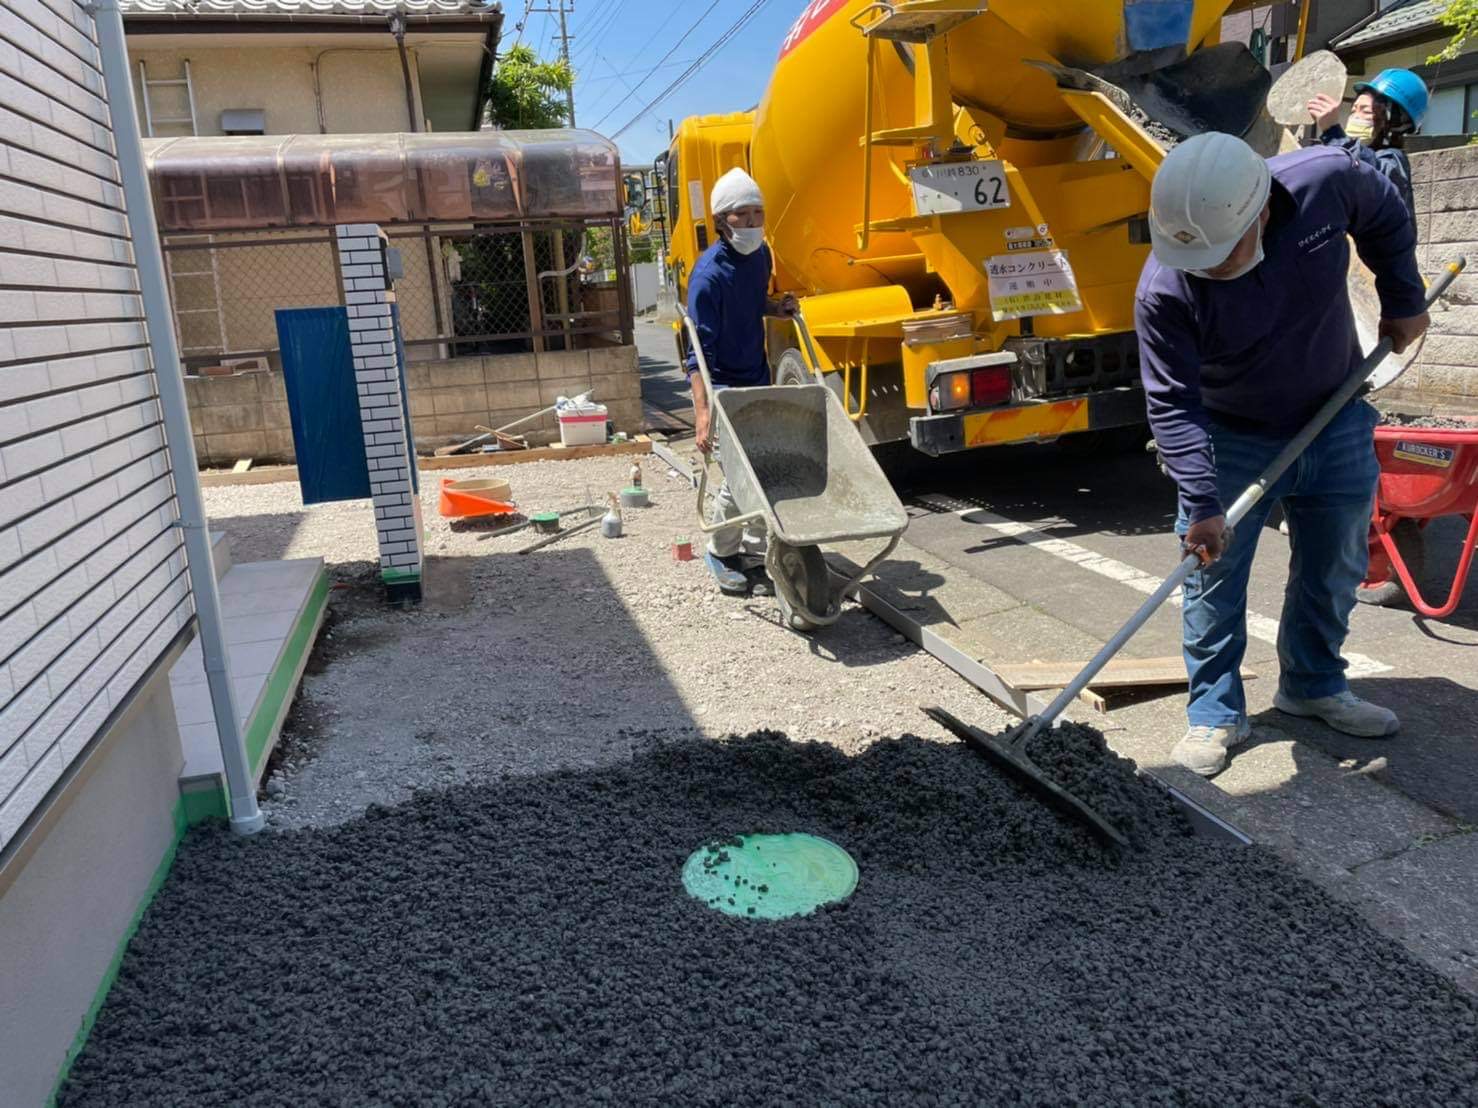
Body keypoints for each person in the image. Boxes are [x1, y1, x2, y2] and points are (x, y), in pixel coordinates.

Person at [1135, 133, 1429, 777]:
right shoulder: (1166, 289)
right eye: (1196, 259)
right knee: (1211, 573)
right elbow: (1174, 404)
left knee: (1336, 562)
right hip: (1230, 432)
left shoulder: (1327, 182)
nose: (1208, 269)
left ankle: (1312, 685)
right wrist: (1202, 503)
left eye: (1221, 254)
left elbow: (1384, 213)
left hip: (1336, 409)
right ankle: (1215, 711)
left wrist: (1404, 298)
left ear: (1261, 209)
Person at [684, 167, 797, 595]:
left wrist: (774, 308)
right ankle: (721, 549)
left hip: (756, 374)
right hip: (724, 387)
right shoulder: (708, 278)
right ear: (720, 221)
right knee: (742, 475)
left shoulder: (761, 255)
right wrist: (702, 412)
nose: (752, 223)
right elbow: (697, 354)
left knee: (764, 466)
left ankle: (753, 550)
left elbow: (752, 304)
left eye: (757, 213)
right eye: (741, 215)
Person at [1307, 68, 1429, 222]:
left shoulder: (1394, 162)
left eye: (1365, 111)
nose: (1355, 118)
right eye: (1353, 111)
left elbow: (1372, 174)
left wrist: (1333, 133)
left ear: (1395, 122)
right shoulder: (1348, 152)